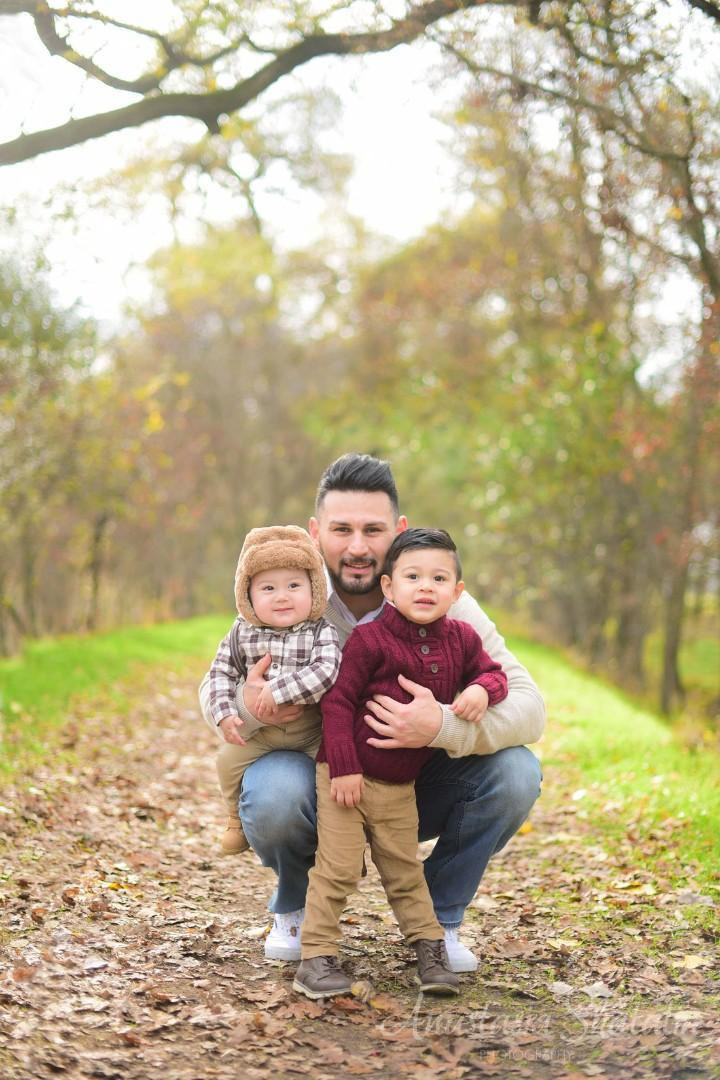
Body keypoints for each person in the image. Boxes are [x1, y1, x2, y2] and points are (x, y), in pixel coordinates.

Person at [200, 453, 544, 971]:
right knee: (274, 792)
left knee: (517, 772)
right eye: (342, 529)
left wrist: (442, 724)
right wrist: (249, 710)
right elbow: (218, 682)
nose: (358, 547)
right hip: (321, 783)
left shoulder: (438, 598)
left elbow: (530, 708)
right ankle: (296, 907)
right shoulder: (286, 596)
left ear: (398, 530)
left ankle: (437, 917)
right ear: (315, 533)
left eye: (373, 530)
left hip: (410, 785)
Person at [293, 527, 508, 999]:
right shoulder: (370, 641)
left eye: (438, 578)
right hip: (345, 780)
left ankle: (430, 954)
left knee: (405, 872)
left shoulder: (463, 639)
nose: (425, 586)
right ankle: (316, 957)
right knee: (339, 868)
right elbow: (338, 704)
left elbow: (495, 675)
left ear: (457, 591)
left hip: (399, 787)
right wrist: (344, 767)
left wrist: (478, 691)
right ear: (389, 587)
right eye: (413, 576)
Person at [201, 525, 341, 854]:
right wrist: (226, 713)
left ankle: (341, 845)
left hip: (312, 733)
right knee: (226, 762)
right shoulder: (242, 631)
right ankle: (235, 821)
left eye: (294, 585)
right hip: (262, 734)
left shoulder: (321, 630)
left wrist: (280, 690)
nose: (282, 596)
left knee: (335, 776)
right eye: (268, 588)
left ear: (315, 590)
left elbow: (327, 670)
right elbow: (220, 671)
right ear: (247, 595)